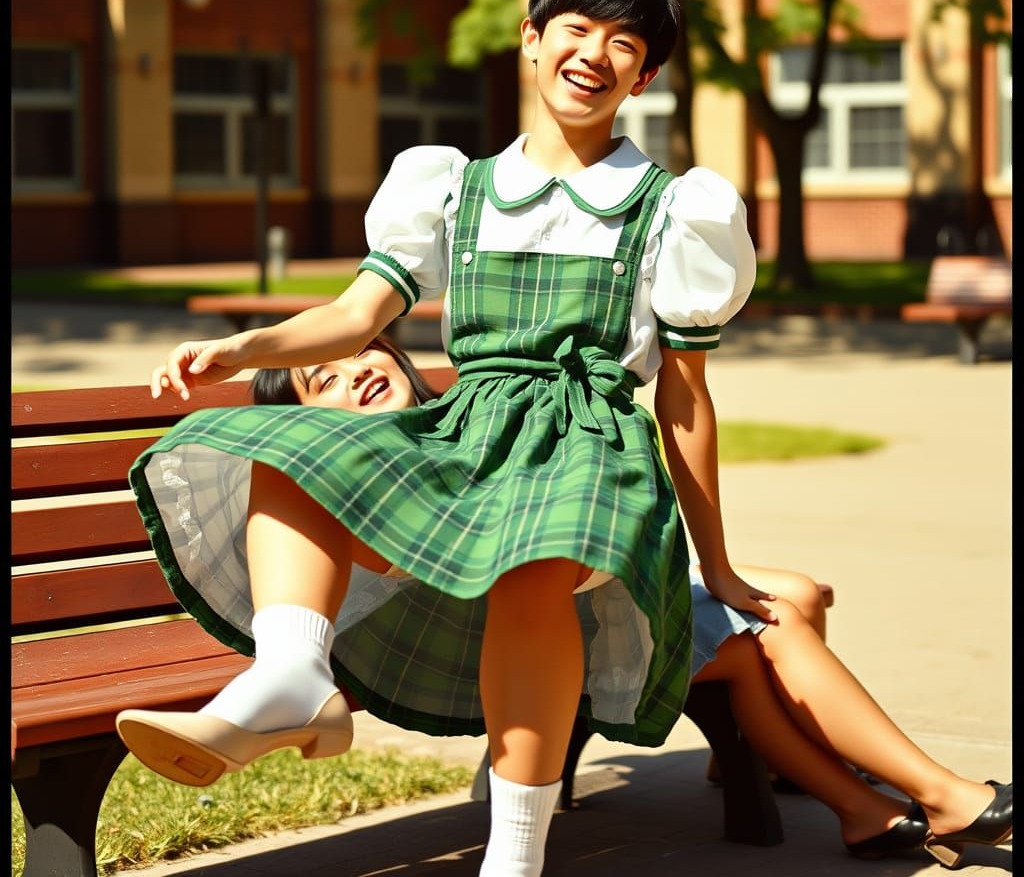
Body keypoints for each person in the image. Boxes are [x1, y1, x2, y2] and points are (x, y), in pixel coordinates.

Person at [113, 0, 1008, 874]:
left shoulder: (674, 213)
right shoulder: (450, 188)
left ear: (645, 76)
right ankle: (294, 676)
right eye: (575, 30)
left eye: (624, 44)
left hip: (589, 447)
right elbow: (354, 317)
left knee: (538, 558)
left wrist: (718, 562)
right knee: (279, 440)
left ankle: (516, 857)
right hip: (476, 440)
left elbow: (686, 399)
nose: (595, 54)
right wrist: (243, 350)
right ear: (532, 42)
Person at [248, 338, 1010, 866]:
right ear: (315, 424)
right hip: (540, 630)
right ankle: (924, 793)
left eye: (360, 355)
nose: (355, 374)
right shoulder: (382, 474)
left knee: (793, 602)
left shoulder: (457, 424)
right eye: (326, 383)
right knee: (762, 638)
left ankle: (847, 798)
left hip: (594, 590)